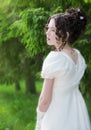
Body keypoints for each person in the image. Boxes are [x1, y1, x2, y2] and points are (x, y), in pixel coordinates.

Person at [35, 7, 91, 130]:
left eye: (53, 30)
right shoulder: (78, 56)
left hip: (57, 115)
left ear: (65, 34)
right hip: (77, 112)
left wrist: (39, 119)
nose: (47, 33)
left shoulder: (55, 59)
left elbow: (45, 99)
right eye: (47, 28)